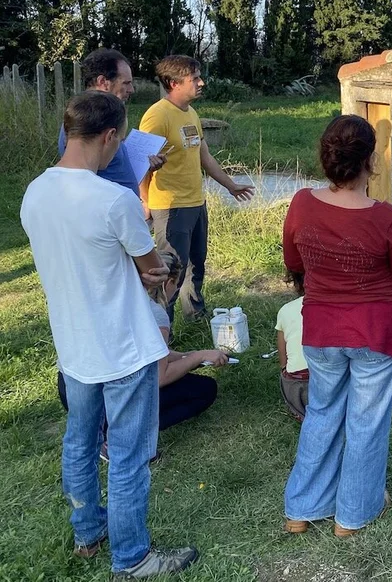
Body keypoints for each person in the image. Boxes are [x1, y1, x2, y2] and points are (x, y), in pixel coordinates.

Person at [20, 92, 197, 577]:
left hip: (73, 344)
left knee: (79, 441)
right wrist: (154, 267)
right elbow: (153, 270)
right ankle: (133, 556)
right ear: (111, 136)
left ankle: (88, 533)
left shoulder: (34, 192)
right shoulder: (115, 200)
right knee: (128, 456)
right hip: (123, 347)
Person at [282, 114, 392, 537]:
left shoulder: (302, 203)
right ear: (370, 161)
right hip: (375, 331)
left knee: (322, 412)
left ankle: (302, 508)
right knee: (366, 421)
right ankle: (353, 515)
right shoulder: (384, 216)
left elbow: (293, 261)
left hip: (321, 328)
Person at [55, 250, 227, 442]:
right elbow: (161, 376)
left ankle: (104, 427)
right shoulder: (155, 314)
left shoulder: (109, 299)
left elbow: (147, 352)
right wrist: (197, 357)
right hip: (108, 401)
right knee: (205, 388)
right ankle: (122, 432)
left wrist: (188, 355)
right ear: (168, 283)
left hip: (71, 391)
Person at [139, 55, 254, 323]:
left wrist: (231, 186)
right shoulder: (157, 115)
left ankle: (195, 316)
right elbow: (142, 163)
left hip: (195, 203)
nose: (201, 83)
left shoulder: (190, 113)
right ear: (174, 83)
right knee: (171, 271)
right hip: (170, 206)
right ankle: (162, 329)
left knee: (195, 266)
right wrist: (145, 201)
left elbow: (205, 157)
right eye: (194, 78)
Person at [57, 48, 165, 196]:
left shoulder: (105, 118)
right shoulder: (84, 122)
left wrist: (143, 165)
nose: (131, 90)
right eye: (126, 83)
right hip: (107, 207)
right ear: (103, 82)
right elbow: (80, 175)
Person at [276, 270, 309, 422]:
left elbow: (282, 354)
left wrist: (284, 368)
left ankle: (298, 411)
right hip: (326, 377)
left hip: (297, 383)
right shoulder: (334, 306)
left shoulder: (285, 310)